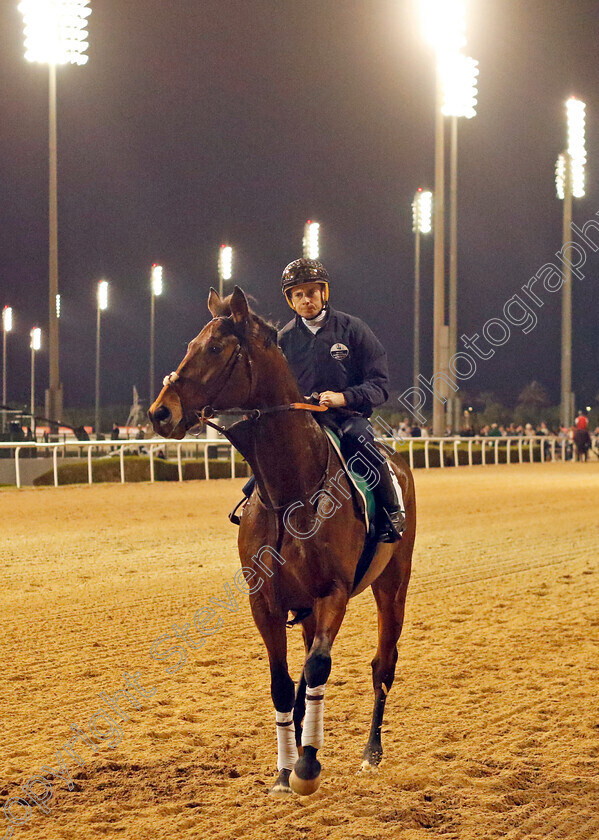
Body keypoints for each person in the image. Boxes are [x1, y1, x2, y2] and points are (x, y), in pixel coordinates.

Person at [277, 258, 404, 542]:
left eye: (311, 292)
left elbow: (379, 384)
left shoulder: (354, 329)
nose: (305, 299)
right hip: (302, 421)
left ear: (324, 293)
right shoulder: (283, 340)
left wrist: (343, 397)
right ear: (291, 300)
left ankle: (390, 511)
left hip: (348, 419)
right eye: (298, 294)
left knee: (361, 443)